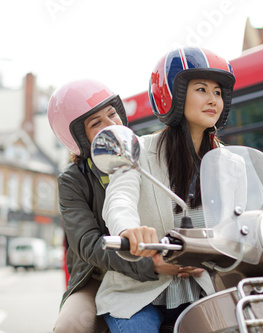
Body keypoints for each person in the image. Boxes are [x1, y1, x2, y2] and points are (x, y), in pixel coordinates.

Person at [96, 46, 237, 332]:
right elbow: (119, 199)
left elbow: (242, 218)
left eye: (218, 92)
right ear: (174, 95)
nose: (213, 99)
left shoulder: (229, 163)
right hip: (140, 293)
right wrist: (128, 231)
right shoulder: (139, 150)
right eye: (201, 89)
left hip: (204, 288)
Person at [48, 80, 195, 333]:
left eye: (113, 114)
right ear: (78, 139)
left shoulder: (147, 153)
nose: (111, 125)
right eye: (96, 123)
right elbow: (88, 244)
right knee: (70, 325)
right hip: (100, 273)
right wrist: (150, 265)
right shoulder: (72, 180)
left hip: (161, 259)